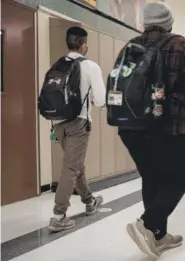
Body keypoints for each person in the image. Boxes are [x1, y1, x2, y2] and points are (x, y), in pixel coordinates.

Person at [116, 2, 185, 259]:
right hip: (172, 125)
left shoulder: (131, 45)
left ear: (145, 23)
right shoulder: (179, 44)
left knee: (152, 177)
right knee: (181, 175)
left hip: (132, 127)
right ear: (169, 23)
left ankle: (158, 236)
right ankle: (147, 225)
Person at [48, 27, 106, 231]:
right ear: (84, 45)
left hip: (57, 123)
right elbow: (100, 100)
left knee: (76, 164)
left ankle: (89, 202)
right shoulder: (89, 65)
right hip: (78, 123)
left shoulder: (58, 65)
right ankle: (58, 215)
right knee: (72, 167)